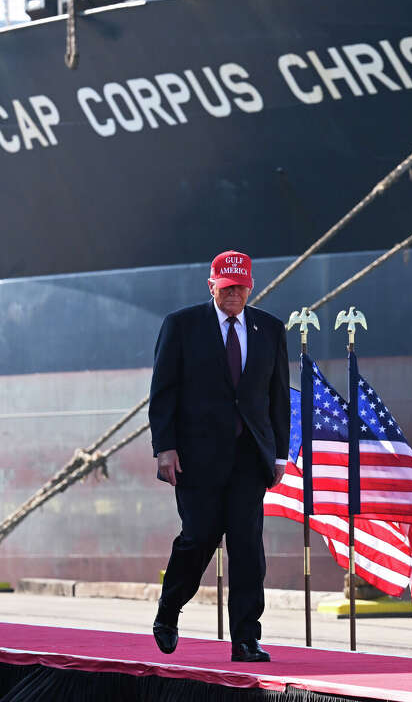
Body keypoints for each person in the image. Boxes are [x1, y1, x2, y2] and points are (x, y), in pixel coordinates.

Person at [149, 250, 290, 662]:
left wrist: (279, 454)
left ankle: (246, 639)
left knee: (247, 547)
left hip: (249, 457)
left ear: (251, 286)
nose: (234, 294)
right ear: (211, 286)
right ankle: (169, 609)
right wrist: (164, 448)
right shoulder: (182, 325)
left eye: (241, 287)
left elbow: (278, 397)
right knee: (198, 538)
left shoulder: (270, 329)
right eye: (226, 287)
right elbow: (163, 392)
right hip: (196, 457)